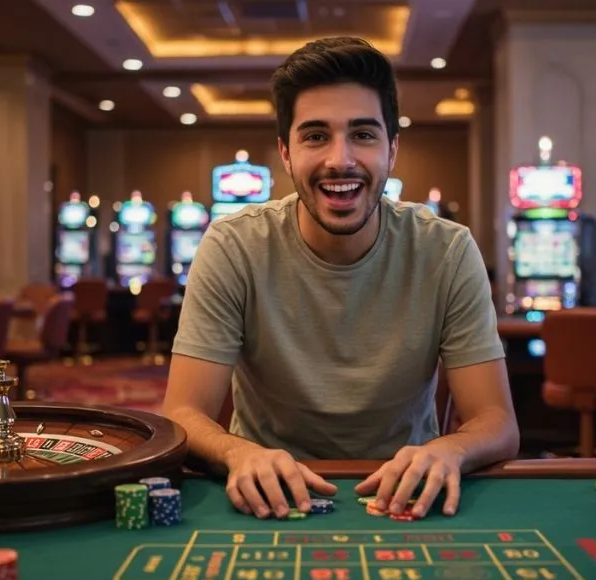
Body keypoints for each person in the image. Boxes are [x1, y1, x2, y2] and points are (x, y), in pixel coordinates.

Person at [164, 37, 519, 521]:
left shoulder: (448, 250)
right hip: (267, 492)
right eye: (315, 136)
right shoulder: (233, 245)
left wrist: (449, 450)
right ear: (285, 153)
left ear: (393, 149)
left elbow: (497, 421)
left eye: (363, 135)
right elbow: (181, 414)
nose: (340, 159)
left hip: (407, 492)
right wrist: (237, 453)